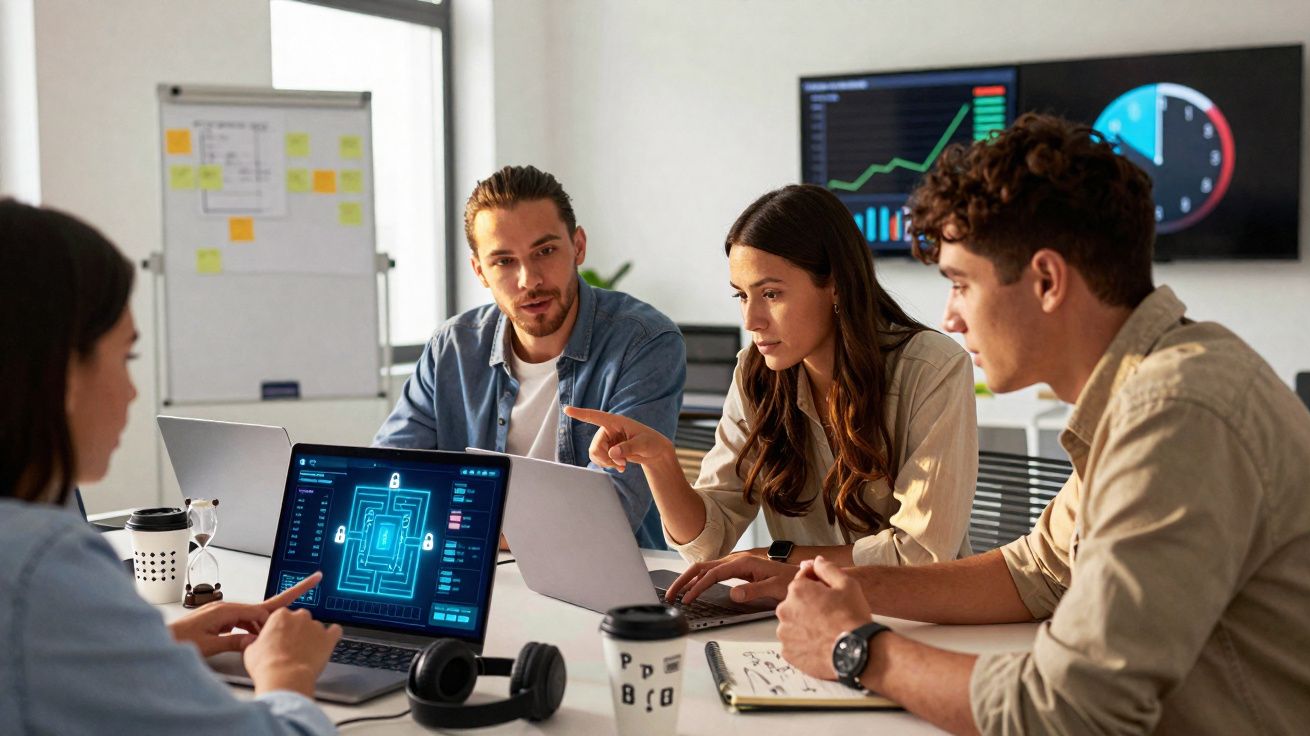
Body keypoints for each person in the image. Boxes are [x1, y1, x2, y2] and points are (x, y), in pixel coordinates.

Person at [687, 115, 1310, 734]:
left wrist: (858, 649)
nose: (950, 317)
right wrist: (837, 587)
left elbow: (1068, 712)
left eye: (961, 283)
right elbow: (1035, 572)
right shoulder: (1152, 384)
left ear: (1046, 280)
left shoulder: (1175, 416)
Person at [0, 199, 342, 734]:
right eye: (126, 357)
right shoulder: (41, 564)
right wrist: (286, 672)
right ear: (64, 372)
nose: (134, 390)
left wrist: (155, 646)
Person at [567, 183, 978, 600]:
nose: (752, 319)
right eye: (741, 296)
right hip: (806, 616)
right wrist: (660, 462)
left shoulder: (933, 369)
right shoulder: (756, 373)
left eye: (771, 294)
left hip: (921, 617)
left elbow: (923, 555)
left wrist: (779, 557)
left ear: (835, 283)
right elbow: (707, 543)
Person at [372, 165, 685, 549]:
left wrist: (466, 529)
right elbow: (389, 478)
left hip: (604, 578)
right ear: (480, 271)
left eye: (546, 251)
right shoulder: (452, 347)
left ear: (579, 246)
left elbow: (611, 511)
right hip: (482, 575)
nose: (529, 280)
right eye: (504, 261)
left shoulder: (644, 342)